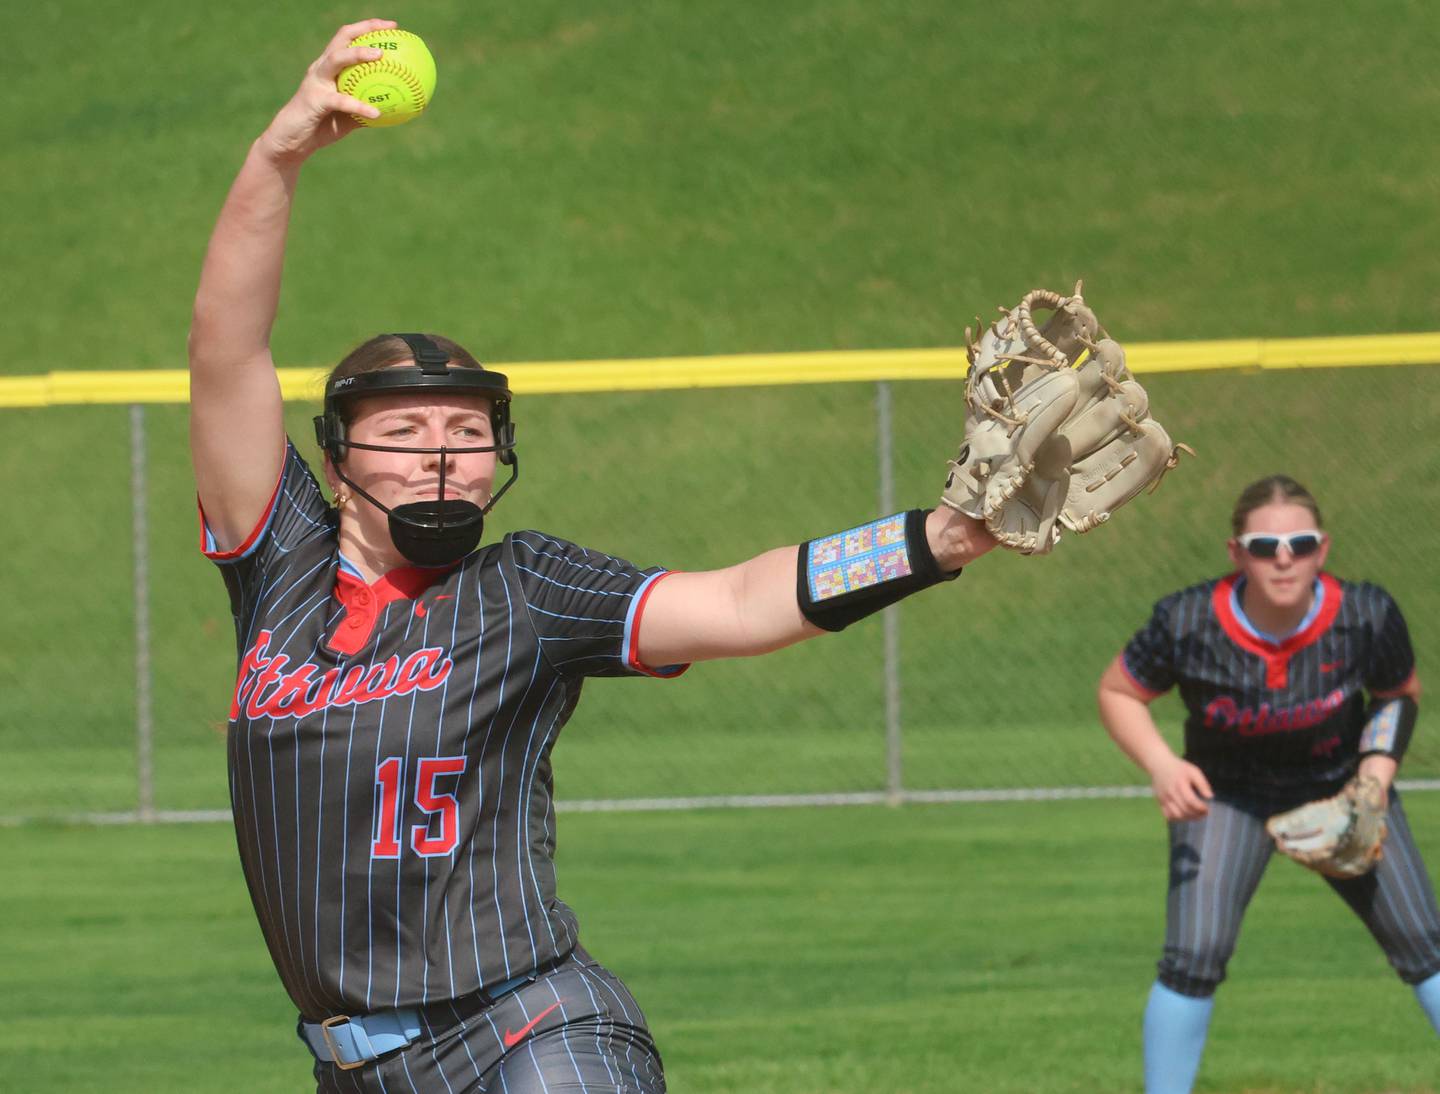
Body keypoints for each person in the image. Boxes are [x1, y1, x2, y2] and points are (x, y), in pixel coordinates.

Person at [188, 20, 997, 1091]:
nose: (442, 454)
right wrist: (276, 155)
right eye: (406, 429)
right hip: (355, 1069)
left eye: (466, 431)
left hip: (531, 1032)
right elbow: (225, 347)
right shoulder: (279, 566)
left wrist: (934, 539)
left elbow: (742, 602)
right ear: (337, 461)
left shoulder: (525, 588)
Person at [1096, 473, 1440, 1094]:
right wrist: (1162, 765)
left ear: (1322, 548)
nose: (1283, 559)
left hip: (1340, 785)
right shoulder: (1189, 620)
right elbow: (1119, 691)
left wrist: (1376, 776)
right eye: (1263, 546)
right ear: (1237, 554)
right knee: (1193, 956)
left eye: (1300, 543)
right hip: (1228, 794)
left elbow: (1397, 695)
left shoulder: (1364, 613)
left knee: (1424, 943)